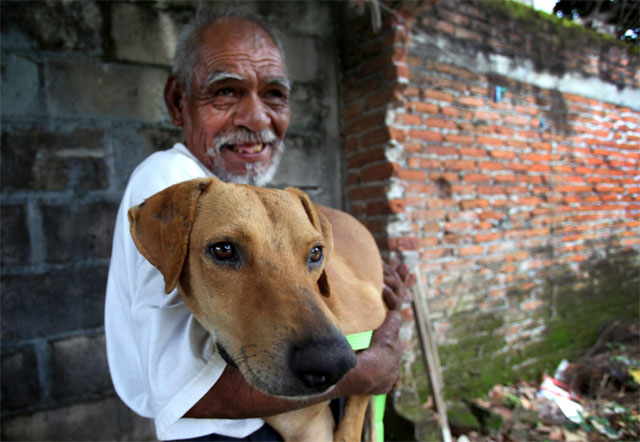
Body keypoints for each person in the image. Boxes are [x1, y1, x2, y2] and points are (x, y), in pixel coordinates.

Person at [105, 9, 413, 441]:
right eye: (227, 92)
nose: (256, 118)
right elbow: (183, 390)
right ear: (178, 101)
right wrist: (361, 374)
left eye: (274, 95)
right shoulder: (168, 179)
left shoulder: (249, 200)